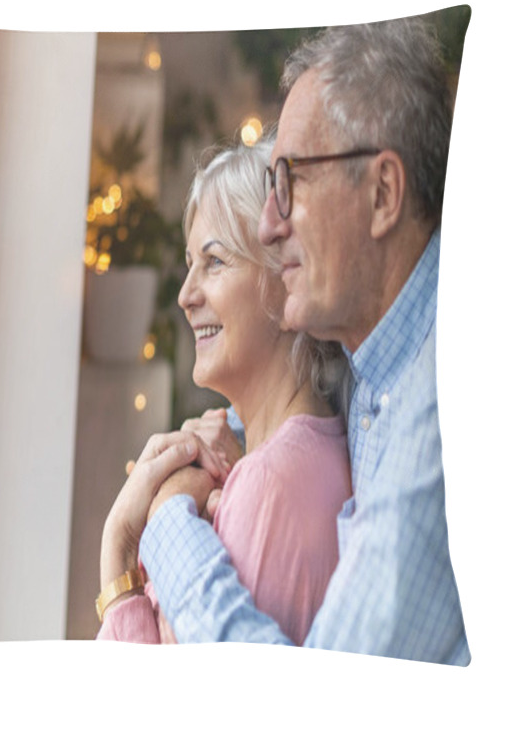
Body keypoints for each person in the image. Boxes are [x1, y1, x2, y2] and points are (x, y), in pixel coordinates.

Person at [123, 17, 470, 664]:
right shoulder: (373, 366)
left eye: (291, 181)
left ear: (383, 193)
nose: (271, 223)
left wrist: (165, 521)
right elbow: (289, 399)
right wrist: (223, 434)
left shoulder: (441, 412)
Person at [96, 138, 352, 644]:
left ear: (285, 283)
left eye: (214, 262)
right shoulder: (268, 461)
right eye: (191, 263)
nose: (186, 295)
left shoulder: (269, 486)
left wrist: (121, 551)